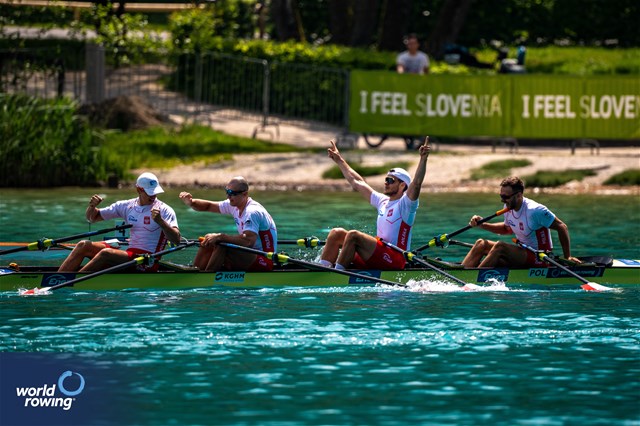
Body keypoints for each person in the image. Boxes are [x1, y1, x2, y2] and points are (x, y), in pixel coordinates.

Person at [319, 138, 430, 271]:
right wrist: (339, 160)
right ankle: (322, 270)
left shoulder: (405, 205)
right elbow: (357, 182)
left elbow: (417, 184)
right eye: (386, 179)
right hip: (378, 255)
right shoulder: (382, 201)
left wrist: (423, 159)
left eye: (390, 180)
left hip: (394, 259)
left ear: (402, 186)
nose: (386, 183)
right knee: (336, 233)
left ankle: (337, 274)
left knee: (353, 235)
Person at [58, 172, 181, 272]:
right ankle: (57, 279)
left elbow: (176, 240)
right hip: (130, 255)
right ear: (139, 189)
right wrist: (91, 207)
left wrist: (160, 222)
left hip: (147, 261)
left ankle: (74, 283)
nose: (153, 196)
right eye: (150, 192)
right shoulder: (127, 206)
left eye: (155, 192)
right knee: (83, 245)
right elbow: (92, 218)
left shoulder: (165, 210)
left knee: (106, 253)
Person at [461, 176, 582, 268]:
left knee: (500, 247)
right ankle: (461, 274)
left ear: (519, 195)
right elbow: (507, 229)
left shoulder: (535, 210)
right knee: (481, 243)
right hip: (522, 253)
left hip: (540, 257)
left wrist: (568, 257)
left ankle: (474, 279)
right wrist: (482, 224)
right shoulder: (508, 206)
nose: (503, 200)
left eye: (506, 197)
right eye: (501, 196)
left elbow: (562, 227)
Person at [179, 176, 277, 272]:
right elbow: (208, 206)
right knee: (208, 241)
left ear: (245, 194)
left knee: (222, 244)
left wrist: (220, 237)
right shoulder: (234, 204)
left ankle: (207, 277)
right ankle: (195, 272)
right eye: (227, 191)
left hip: (265, 260)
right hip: (248, 254)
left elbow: (248, 240)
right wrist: (191, 203)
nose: (228, 196)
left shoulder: (252, 212)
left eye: (232, 193)